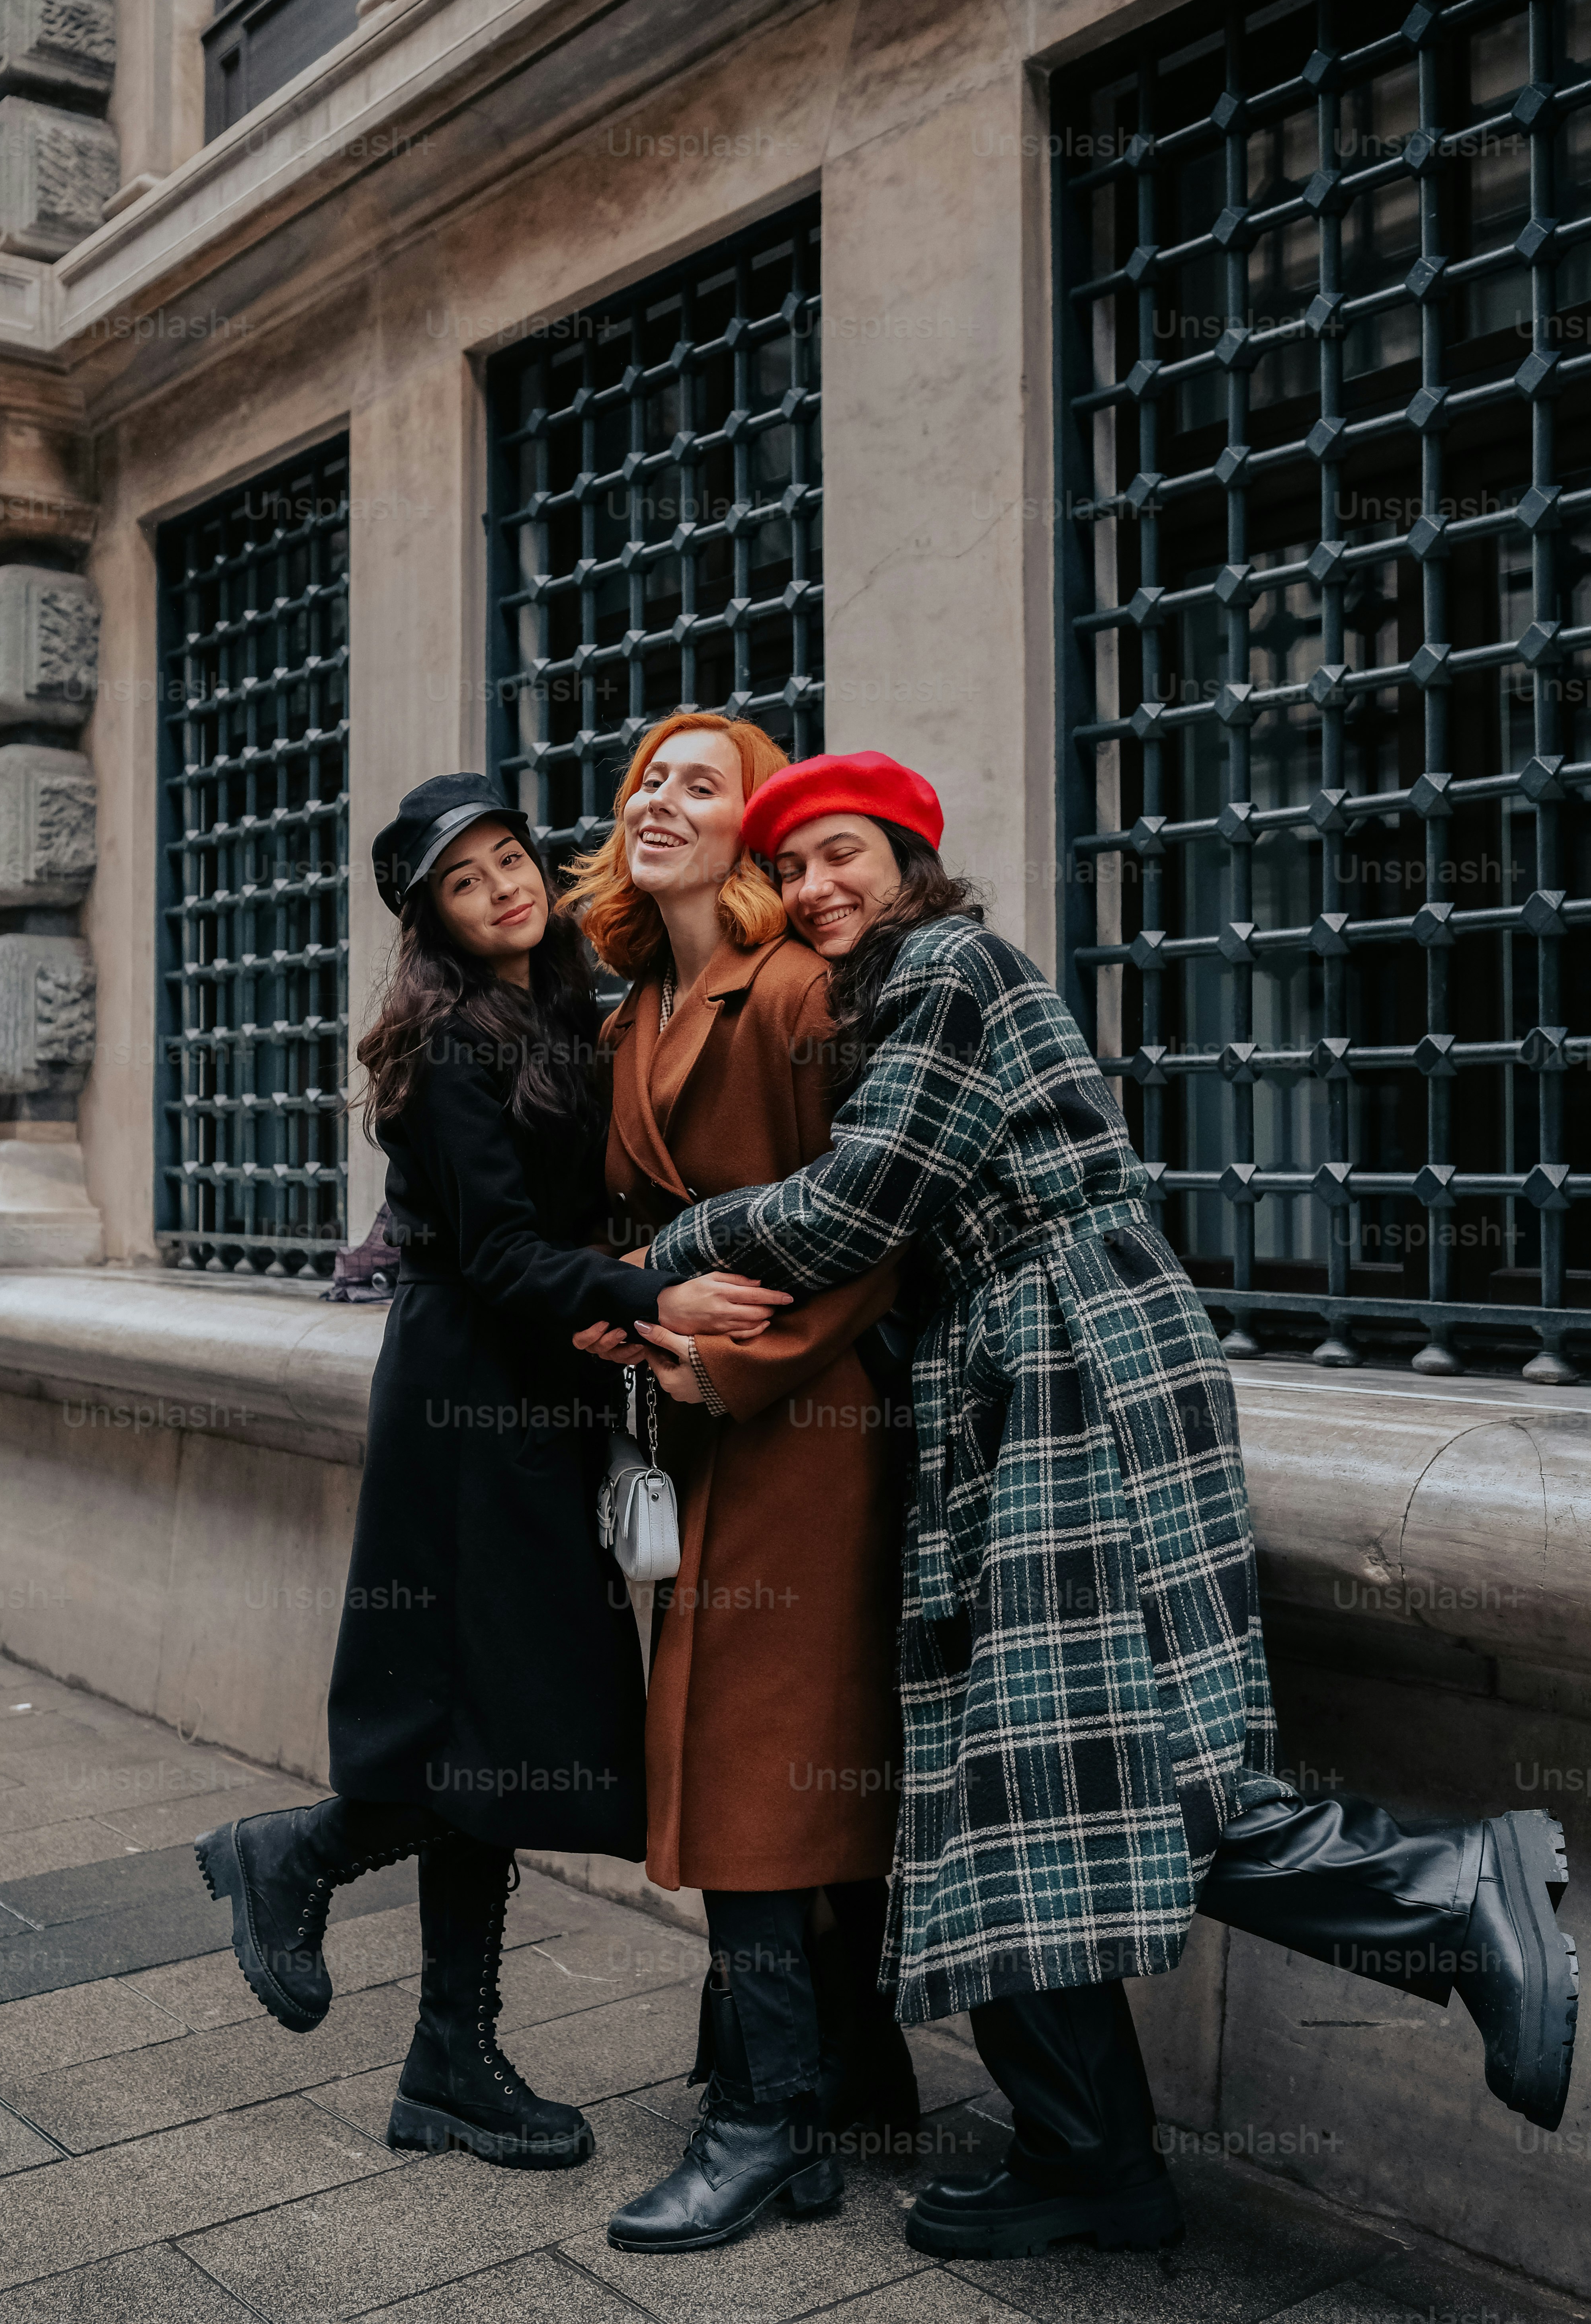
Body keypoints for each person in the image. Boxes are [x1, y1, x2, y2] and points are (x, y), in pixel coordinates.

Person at [644, 747, 1579, 2261]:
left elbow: (859, 1203)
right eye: (793, 868)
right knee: (1016, 1783)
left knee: (1130, 1765)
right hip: (1008, 1374)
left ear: (910, 858)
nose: (816, 888)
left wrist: (669, 1247)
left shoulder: (948, 968)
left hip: (1077, 1357)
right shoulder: (885, 996)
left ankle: (1450, 1886)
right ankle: (1089, 2157)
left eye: (842, 855)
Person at [196, 773, 786, 2171]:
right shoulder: (450, 1046)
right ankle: (301, 1853)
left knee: (493, 1720)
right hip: (468, 1406)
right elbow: (506, 1255)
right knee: (505, 1713)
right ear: (437, 924)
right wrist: (656, 1295)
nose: (503, 889)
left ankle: (447, 2064)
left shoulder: (568, 1010)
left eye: (509, 859)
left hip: (536, 1389)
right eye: (465, 884)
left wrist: (621, 1300)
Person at [557, 710, 918, 2252]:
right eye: (646, 778)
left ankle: (769, 2122)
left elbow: (877, 1225)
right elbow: (619, 1233)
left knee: (756, 1769)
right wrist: (627, 1307)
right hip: (693, 1428)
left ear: (752, 830)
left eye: (698, 784)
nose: (657, 799)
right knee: (746, 1757)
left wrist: (731, 1362)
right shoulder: (627, 1015)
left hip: (808, 1427)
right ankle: (849, 2085)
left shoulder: (795, 991)